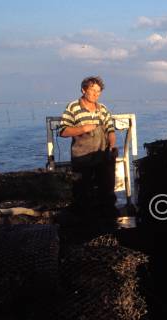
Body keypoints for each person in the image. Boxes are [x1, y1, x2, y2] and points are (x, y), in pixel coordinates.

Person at [59, 76, 119, 219]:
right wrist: (83, 128)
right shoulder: (73, 107)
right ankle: (85, 221)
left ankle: (108, 219)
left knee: (107, 189)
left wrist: (112, 146)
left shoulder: (102, 109)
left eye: (98, 92)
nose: (95, 94)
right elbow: (64, 131)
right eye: (92, 90)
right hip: (82, 157)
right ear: (83, 90)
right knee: (82, 191)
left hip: (102, 155)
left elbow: (110, 130)